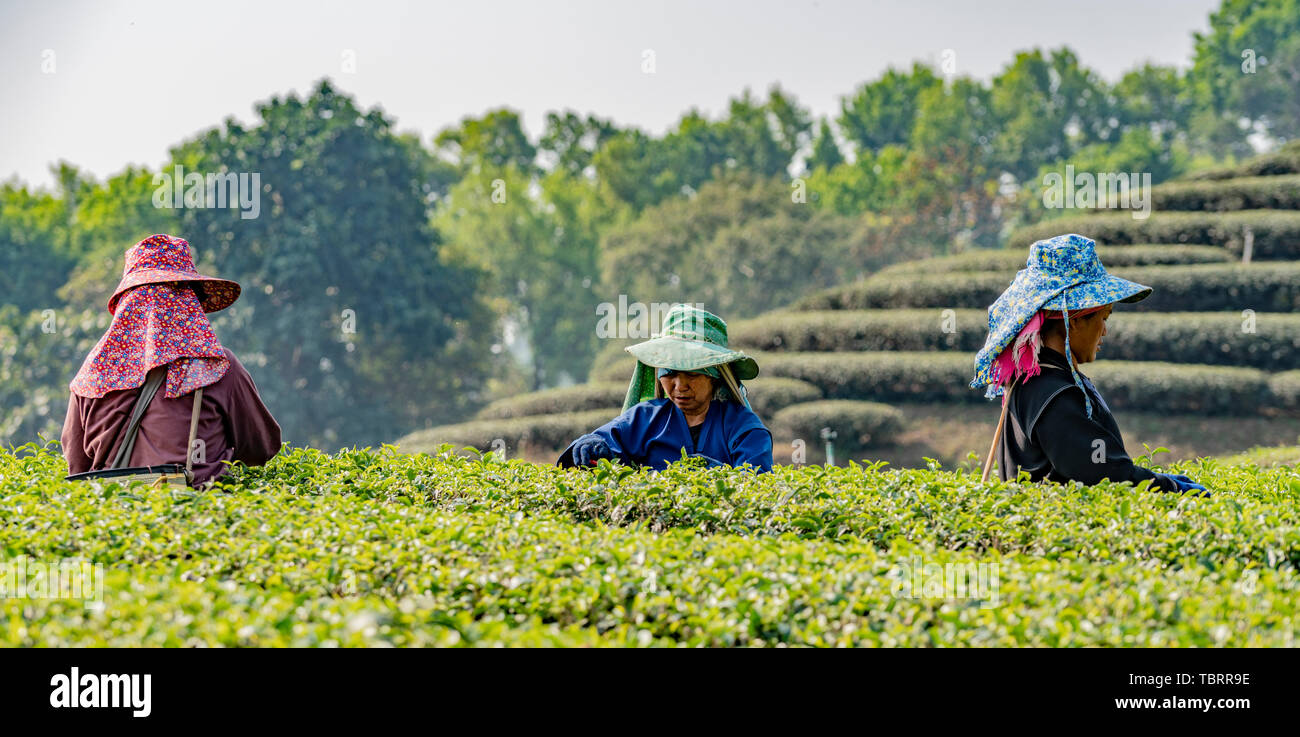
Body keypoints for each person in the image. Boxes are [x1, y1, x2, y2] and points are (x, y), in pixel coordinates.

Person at [970, 233, 1206, 494]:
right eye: (1104, 317)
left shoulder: (1043, 381)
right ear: (1073, 319)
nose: (1104, 331)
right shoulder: (1052, 393)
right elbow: (1106, 477)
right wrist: (1175, 488)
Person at [61, 234, 281, 486]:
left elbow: (77, 468)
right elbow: (261, 447)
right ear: (189, 302)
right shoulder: (217, 366)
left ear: (127, 303)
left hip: (115, 516)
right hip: (198, 517)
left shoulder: (92, 374)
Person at [558, 304, 773, 472]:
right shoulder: (645, 419)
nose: (680, 386)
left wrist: (712, 474)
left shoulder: (744, 428)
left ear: (715, 377)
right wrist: (589, 444)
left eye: (692, 373)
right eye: (669, 373)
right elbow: (605, 441)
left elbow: (756, 486)